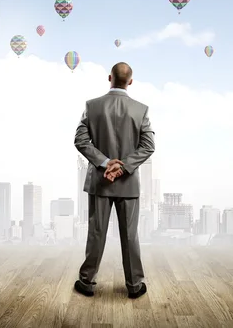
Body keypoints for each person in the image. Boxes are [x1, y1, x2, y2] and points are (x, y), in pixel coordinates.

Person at [73, 62, 155, 299]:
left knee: (96, 233)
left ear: (109, 78)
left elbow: (81, 140)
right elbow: (148, 146)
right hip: (128, 184)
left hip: (100, 182)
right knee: (130, 236)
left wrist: (105, 163)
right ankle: (135, 285)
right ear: (130, 81)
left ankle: (87, 283)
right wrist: (123, 167)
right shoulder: (141, 110)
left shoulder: (92, 106)